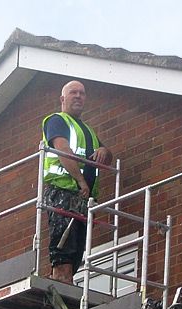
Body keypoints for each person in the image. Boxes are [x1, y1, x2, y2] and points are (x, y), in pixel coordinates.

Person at [42, 80, 112, 284]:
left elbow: (107, 156)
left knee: (76, 251)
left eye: (82, 93)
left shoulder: (87, 130)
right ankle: (60, 279)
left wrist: (104, 151)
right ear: (63, 99)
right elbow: (63, 150)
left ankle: (66, 280)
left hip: (83, 199)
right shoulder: (57, 121)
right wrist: (81, 181)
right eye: (73, 92)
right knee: (64, 247)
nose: (79, 96)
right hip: (63, 191)